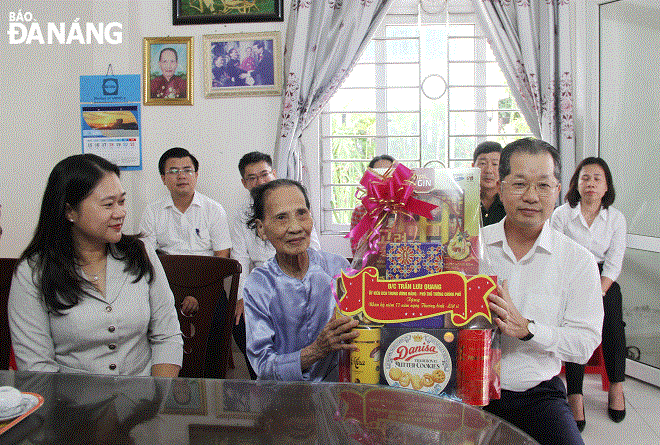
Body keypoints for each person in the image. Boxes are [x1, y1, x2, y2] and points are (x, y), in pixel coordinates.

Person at [8, 154, 183, 377]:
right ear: (69, 211)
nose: (120, 213)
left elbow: (166, 337)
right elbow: (36, 366)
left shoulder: (141, 253)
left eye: (122, 201)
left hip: (143, 400)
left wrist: (157, 397)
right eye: (108, 204)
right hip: (70, 405)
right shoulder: (33, 272)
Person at [480, 138, 603, 445]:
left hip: (539, 394)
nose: (531, 196)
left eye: (543, 185)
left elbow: (585, 343)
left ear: (558, 189)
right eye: (520, 183)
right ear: (501, 185)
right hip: (473, 389)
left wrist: (529, 330)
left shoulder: (578, 261)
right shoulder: (471, 249)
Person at [244, 179, 359, 381]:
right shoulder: (259, 285)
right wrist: (317, 350)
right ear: (261, 229)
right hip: (284, 399)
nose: (295, 227)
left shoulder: (338, 269)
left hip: (339, 393)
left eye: (301, 213)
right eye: (281, 217)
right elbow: (262, 365)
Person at [140, 147, 232, 377]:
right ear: (163, 178)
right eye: (173, 171)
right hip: (166, 289)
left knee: (216, 322)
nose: (181, 175)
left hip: (208, 288)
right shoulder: (152, 212)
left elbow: (222, 257)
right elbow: (147, 260)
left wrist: (197, 295)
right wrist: (178, 294)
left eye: (187, 170)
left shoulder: (214, 210)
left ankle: (211, 381)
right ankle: (166, 382)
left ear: (196, 175)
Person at [230, 152, 321, 379]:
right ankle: (261, 377)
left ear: (274, 174)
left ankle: (307, 375)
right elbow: (239, 259)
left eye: (264, 174)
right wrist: (241, 297)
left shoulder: (294, 203)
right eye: (252, 178)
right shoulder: (241, 216)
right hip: (264, 284)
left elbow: (315, 251)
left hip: (299, 277)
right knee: (241, 321)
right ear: (244, 183)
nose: (260, 181)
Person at [551, 157, 627, 429]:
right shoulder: (561, 214)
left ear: (606, 187)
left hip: (603, 279)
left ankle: (616, 386)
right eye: (585, 178)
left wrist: (598, 290)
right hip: (569, 279)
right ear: (576, 183)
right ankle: (575, 394)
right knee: (575, 326)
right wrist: (581, 290)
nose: (591, 183)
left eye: (597, 178)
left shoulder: (615, 218)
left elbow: (615, 260)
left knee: (614, 323)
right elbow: (556, 255)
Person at [349, 154, 395, 254]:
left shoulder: (404, 210)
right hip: (371, 266)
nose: (384, 177)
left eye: (388, 172)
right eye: (378, 173)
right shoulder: (360, 211)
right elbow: (356, 249)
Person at [472, 141, 505, 226]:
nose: (489, 170)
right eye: (483, 163)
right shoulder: (464, 201)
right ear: (473, 167)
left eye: (495, 164)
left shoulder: (509, 203)